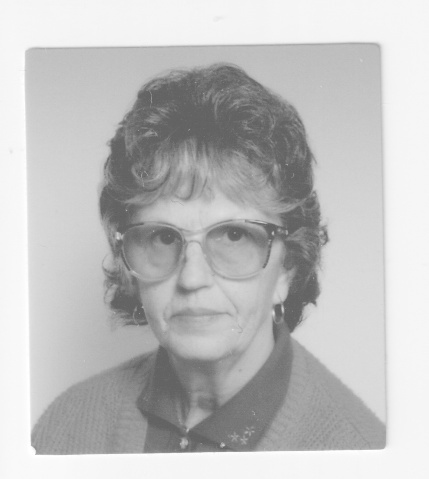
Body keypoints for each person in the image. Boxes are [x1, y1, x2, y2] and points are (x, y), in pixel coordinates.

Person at [32, 63, 385, 453]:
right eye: (164, 237)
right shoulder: (65, 428)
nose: (192, 278)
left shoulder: (360, 453)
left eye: (234, 235)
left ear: (288, 267)